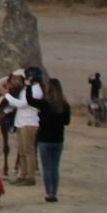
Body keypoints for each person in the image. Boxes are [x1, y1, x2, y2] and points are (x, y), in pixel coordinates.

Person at [34, 73, 70, 202]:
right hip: (58, 138)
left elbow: (30, 100)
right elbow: (67, 122)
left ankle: (48, 192)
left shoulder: (44, 104)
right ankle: (54, 193)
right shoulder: (65, 106)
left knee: (47, 168)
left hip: (44, 138)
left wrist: (28, 86)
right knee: (55, 167)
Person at [7, 70, 43, 182]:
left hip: (29, 123)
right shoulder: (27, 89)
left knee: (28, 150)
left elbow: (22, 104)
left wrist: (6, 95)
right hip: (22, 122)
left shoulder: (35, 91)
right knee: (22, 150)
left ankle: (30, 176)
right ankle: (23, 174)